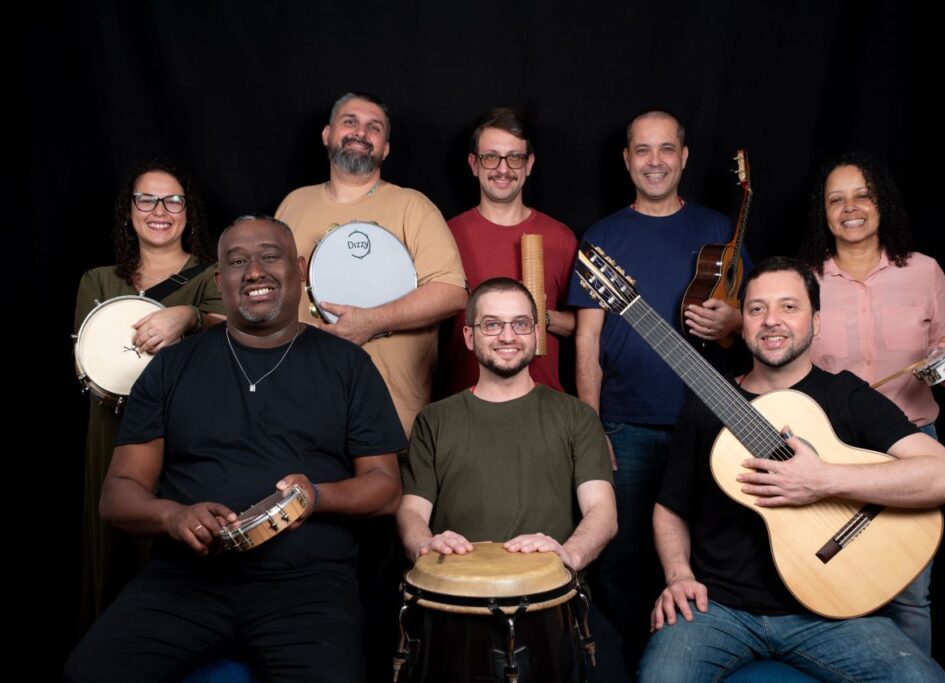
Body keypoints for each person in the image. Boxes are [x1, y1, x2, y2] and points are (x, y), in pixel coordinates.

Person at [64, 217, 407, 682]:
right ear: (218, 279)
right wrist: (173, 516)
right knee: (88, 673)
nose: (254, 272)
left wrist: (315, 496)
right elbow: (118, 493)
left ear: (299, 269)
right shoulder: (170, 368)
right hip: (185, 582)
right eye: (238, 261)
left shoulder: (349, 365)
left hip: (306, 585)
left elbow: (385, 489)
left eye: (269, 257)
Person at [637, 257, 945, 682]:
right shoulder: (705, 407)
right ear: (743, 324)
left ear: (816, 321)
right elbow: (670, 507)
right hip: (717, 610)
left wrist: (823, 479)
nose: (771, 320)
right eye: (756, 309)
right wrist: (679, 576)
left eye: (789, 307)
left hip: (831, 614)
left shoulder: (847, 396)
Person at [566, 109, 745, 666]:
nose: (655, 161)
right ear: (627, 160)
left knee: (709, 552)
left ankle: (692, 661)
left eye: (666, 149)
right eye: (643, 150)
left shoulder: (719, 230)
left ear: (684, 157)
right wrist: (592, 428)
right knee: (621, 558)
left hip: (710, 424)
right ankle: (627, 667)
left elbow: (759, 320)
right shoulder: (602, 237)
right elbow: (586, 340)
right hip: (625, 424)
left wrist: (734, 321)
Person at [398, 277, 627, 681]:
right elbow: (412, 511)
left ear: (536, 334)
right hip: (455, 606)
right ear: (469, 336)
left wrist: (568, 554)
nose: (508, 336)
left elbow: (603, 514)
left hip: (555, 605)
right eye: (492, 324)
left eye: (520, 324)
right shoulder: (435, 420)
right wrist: (424, 545)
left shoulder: (577, 416)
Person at [801, 152, 945, 653]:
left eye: (863, 195)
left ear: (882, 204)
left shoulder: (925, 272)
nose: (850, 208)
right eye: (836, 200)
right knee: (838, 590)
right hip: (835, 451)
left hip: (912, 449)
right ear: (823, 213)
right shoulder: (805, 280)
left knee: (911, 597)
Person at [73, 157, 224, 627]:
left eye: (173, 200)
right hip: (112, 428)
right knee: (114, 547)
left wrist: (190, 316)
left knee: (173, 547)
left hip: (183, 433)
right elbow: (86, 362)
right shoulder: (98, 280)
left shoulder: (212, 277)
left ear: (188, 212)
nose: (160, 210)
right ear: (129, 211)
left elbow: (234, 339)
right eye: (147, 199)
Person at [275, 92, 466, 436]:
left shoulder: (413, 206)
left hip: (391, 416)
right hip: (299, 411)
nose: (360, 132)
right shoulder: (294, 203)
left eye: (373, 127)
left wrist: (371, 321)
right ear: (327, 134)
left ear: (385, 148)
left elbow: (452, 292)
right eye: (350, 122)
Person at [440, 108, 577, 395]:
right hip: (467, 403)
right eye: (491, 157)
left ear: (529, 164)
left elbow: (580, 326)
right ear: (474, 164)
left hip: (543, 404)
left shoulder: (559, 237)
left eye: (514, 157)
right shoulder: (445, 235)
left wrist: (541, 316)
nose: (503, 169)